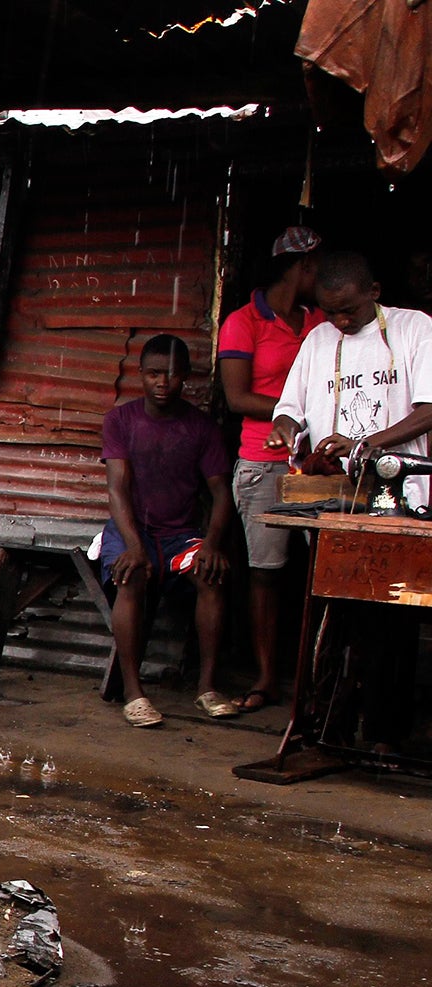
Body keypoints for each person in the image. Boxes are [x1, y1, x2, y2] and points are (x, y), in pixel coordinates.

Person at [99, 334, 236, 728]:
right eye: (155, 374)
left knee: (211, 575)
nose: (163, 383)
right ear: (140, 375)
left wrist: (211, 544)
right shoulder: (121, 421)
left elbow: (221, 494)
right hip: (131, 530)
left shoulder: (201, 428)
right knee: (131, 576)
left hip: (180, 534)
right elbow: (117, 489)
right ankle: (133, 693)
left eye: (173, 375)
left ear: (186, 378)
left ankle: (207, 687)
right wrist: (134, 546)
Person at [217, 227, 322, 713]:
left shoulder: (321, 321)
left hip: (316, 465)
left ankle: (316, 679)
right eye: (315, 268)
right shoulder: (243, 322)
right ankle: (265, 677)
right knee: (266, 574)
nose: (319, 277)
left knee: (321, 574)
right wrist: (296, 414)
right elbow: (236, 397)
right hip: (263, 462)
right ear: (299, 269)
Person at [270, 251, 432, 486]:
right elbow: (290, 409)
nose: (341, 321)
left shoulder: (415, 327)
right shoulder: (318, 339)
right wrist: (283, 427)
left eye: (349, 310)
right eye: (331, 313)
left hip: (402, 485)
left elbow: (429, 410)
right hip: (332, 487)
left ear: (374, 291)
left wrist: (363, 444)